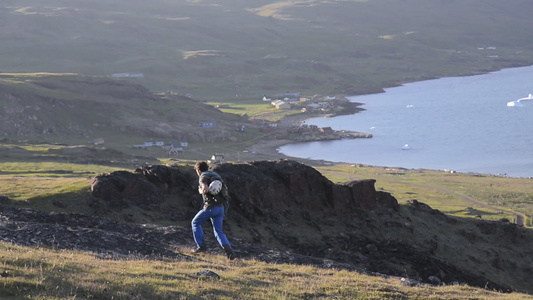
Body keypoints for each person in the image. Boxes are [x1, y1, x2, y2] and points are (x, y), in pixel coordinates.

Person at [191, 161, 236, 260]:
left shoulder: (203, 177)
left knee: (195, 222)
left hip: (210, 207)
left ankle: (201, 247)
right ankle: (229, 252)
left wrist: (200, 190)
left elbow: (205, 189)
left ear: (198, 170)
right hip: (221, 208)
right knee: (218, 231)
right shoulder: (215, 175)